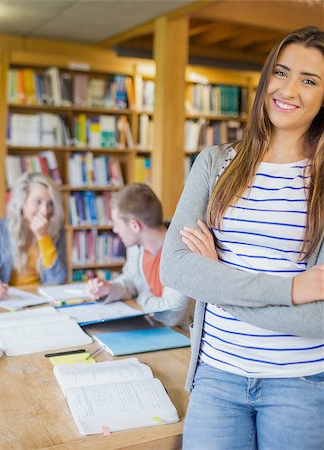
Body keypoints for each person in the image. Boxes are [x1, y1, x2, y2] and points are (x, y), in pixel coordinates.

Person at [161, 27, 324, 450]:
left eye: (310, 80)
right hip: (217, 378)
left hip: (302, 385)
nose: (288, 90)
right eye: (281, 72)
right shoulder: (215, 163)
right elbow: (175, 266)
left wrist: (213, 279)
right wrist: (291, 289)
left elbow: (319, 318)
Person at [88, 183, 193, 328]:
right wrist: (110, 289)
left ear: (134, 226)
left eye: (117, 223)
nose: (115, 229)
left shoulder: (183, 252)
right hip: (154, 330)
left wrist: (141, 295)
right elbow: (131, 281)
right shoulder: (136, 248)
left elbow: (171, 314)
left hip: (181, 338)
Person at [0, 172, 66, 300]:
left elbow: (57, 280)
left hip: (43, 300)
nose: (45, 211)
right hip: (7, 301)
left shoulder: (56, 230)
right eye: (38, 202)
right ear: (22, 201)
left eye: (50, 204)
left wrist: (44, 238)